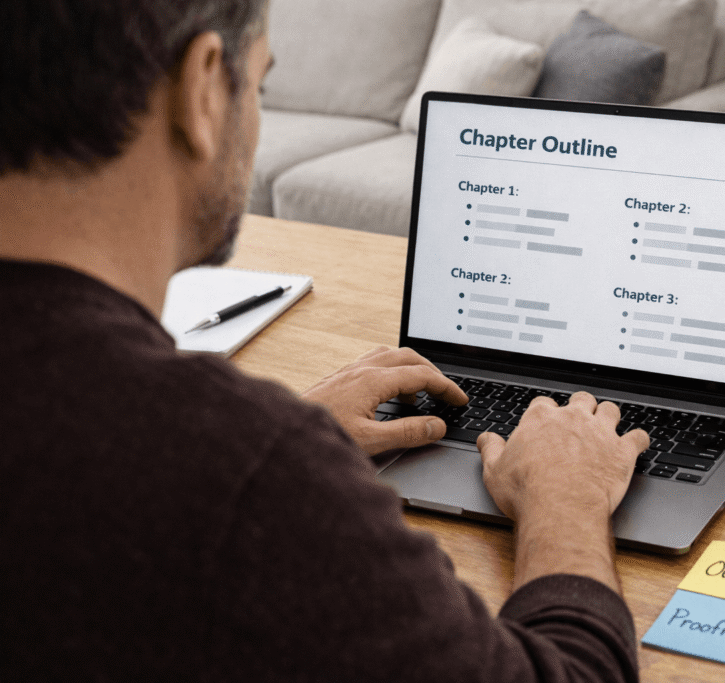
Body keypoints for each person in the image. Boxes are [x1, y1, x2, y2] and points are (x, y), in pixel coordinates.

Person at [0, 1, 650, 680]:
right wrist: (566, 501)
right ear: (203, 89)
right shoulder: (239, 474)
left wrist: (270, 441)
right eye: (260, 86)